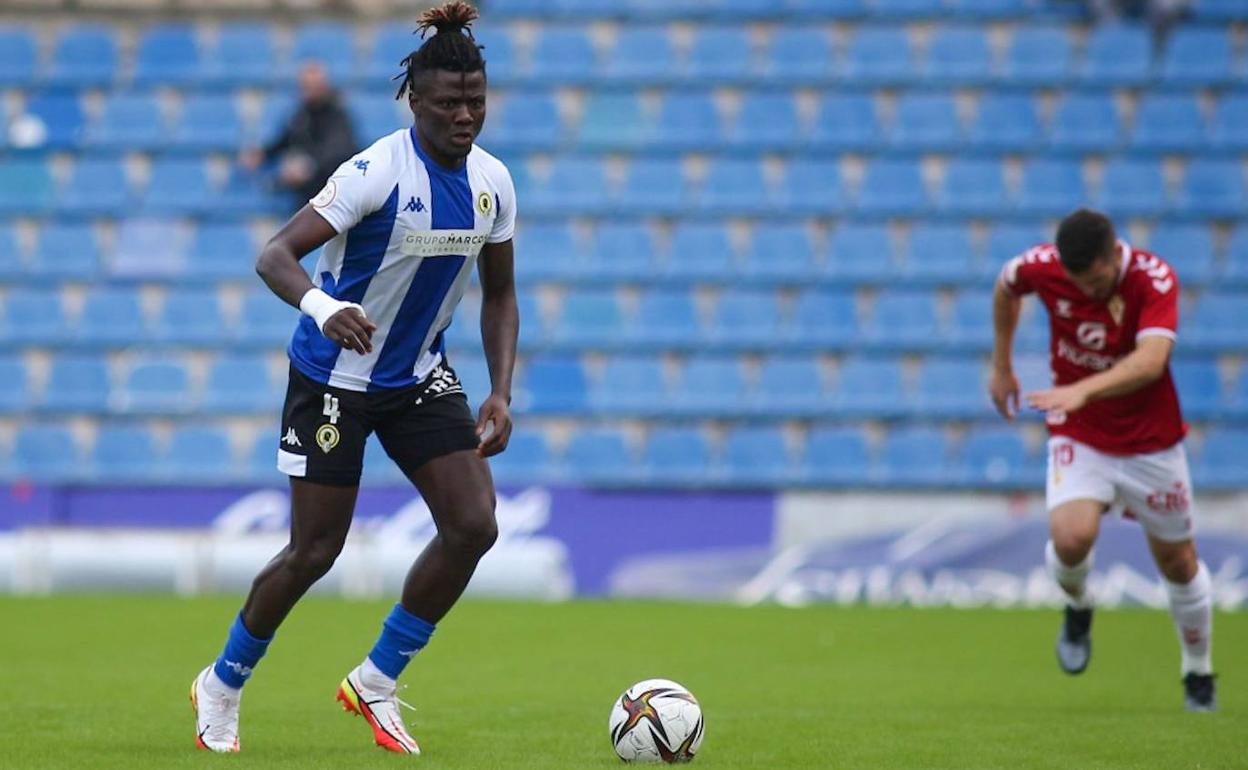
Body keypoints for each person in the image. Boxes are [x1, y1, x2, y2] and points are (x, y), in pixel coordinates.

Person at [192, 2, 518, 754]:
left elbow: (501, 295)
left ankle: (376, 680)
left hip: (416, 378)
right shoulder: (373, 172)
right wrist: (322, 303)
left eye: (475, 101)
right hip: (333, 377)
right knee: (315, 552)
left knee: (474, 525)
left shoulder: (494, 183)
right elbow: (275, 253)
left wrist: (500, 389)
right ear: (415, 101)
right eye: (448, 103)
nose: (464, 115)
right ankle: (223, 681)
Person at [989, 209, 1215, 711]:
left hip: (1150, 441)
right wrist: (1002, 364)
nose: (1089, 293)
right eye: (1078, 285)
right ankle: (1078, 604)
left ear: (1115, 254)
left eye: (1096, 281)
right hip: (1081, 433)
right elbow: (1006, 286)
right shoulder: (1042, 266)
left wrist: (1083, 390)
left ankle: (1198, 673)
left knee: (1179, 564)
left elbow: (1152, 361)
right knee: (1071, 539)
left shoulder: (1153, 279)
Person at [240, 60, 359, 207]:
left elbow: (339, 150)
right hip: (307, 196)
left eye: (313, 85)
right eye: (305, 86)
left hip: (333, 194)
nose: (308, 90)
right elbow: (286, 140)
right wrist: (263, 154)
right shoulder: (301, 114)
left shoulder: (338, 115)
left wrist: (308, 166)